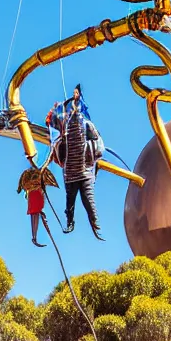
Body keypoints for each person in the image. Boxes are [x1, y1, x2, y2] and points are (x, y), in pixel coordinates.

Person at [50, 85, 105, 241]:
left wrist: (88, 152)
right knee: (70, 201)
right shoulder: (64, 129)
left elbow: (98, 144)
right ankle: (70, 222)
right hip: (70, 172)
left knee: (88, 200)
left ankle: (96, 226)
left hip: (85, 170)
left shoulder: (87, 125)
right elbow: (58, 145)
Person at [17, 166, 59, 247]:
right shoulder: (30, 176)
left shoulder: (37, 177)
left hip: (36, 194)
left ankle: (35, 237)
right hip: (34, 195)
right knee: (35, 213)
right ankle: (34, 237)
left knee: (36, 213)